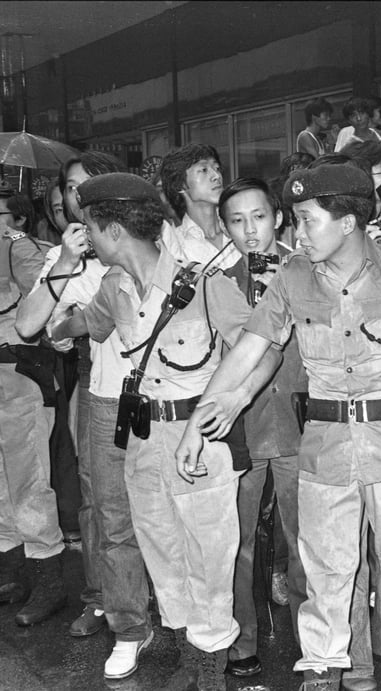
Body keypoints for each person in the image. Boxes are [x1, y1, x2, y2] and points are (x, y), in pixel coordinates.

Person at [174, 162, 381, 691]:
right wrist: (204, 415)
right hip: (324, 450)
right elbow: (250, 350)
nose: (297, 232)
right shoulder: (291, 278)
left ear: (347, 222)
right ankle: (327, 678)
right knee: (326, 578)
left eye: (307, 220)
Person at [51, 172, 270, 690]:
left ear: (113, 230)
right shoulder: (112, 287)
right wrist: (61, 327)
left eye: (91, 228)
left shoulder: (203, 283)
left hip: (198, 444)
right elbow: (75, 326)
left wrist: (233, 399)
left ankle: (210, 670)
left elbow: (265, 344)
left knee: (210, 562)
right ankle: (189, 659)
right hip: (143, 447)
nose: (90, 239)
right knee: (164, 558)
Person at [15, 153, 159, 680]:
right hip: (106, 399)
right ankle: (128, 624)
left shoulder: (163, 247)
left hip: (171, 396)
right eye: (72, 191)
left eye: (87, 188)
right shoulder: (73, 261)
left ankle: (185, 617)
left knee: (169, 510)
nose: (78, 200)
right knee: (112, 516)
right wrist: (63, 268)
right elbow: (33, 326)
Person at [214, 177, 308, 680]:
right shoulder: (217, 280)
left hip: (301, 422)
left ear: (278, 216)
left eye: (259, 217)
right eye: (236, 220)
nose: (250, 231)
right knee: (240, 541)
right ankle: (242, 637)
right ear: (223, 227)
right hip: (241, 428)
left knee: (303, 539)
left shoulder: (311, 268)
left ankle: (309, 638)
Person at [0, 184, 67, 629]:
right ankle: (13, 573)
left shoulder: (18, 249)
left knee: (28, 481)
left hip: (17, 375)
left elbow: (49, 299)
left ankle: (49, 577)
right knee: (2, 487)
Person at [159, 144, 234, 268]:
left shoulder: (240, 230)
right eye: (204, 170)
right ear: (180, 185)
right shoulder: (174, 245)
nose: (216, 176)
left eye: (217, 168)